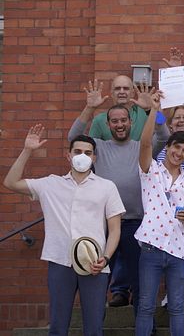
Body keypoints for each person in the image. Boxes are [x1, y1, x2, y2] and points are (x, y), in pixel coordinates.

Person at [4, 127, 125, 336]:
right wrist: (27, 150)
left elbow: (115, 230)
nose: (82, 156)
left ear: (94, 157)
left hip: (94, 264)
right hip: (60, 262)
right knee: (58, 327)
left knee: (94, 328)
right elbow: (10, 183)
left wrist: (105, 258)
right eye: (77, 152)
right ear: (68, 156)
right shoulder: (51, 184)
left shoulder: (107, 187)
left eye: (87, 153)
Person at [69, 80, 169, 309]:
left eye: (123, 120)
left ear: (130, 122)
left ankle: (145, 329)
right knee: (98, 278)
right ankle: (95, 326)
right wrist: (90, 108)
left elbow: (163, 135)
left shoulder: (141, 147)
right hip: (103, 225)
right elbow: (73, 137)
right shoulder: (99, 148)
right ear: (108, 124)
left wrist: (153, 110)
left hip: (136, 223)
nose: (119, 125)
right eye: (114, 121)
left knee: (139, 280)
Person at [134, 89, 184, 336]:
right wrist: (154, 110)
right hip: (151, 247)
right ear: (169, 146)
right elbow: (144, 143)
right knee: (145, 306)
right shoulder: (150, 170)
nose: (179, 153)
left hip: (179, 251)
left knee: (177, 307)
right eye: (177, 148)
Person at [156, 105, 184, 170]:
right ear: (170, 124)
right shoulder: (162, 142)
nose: (181, 120)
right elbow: (159, 123)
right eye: (177, 118)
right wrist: (157, 109)